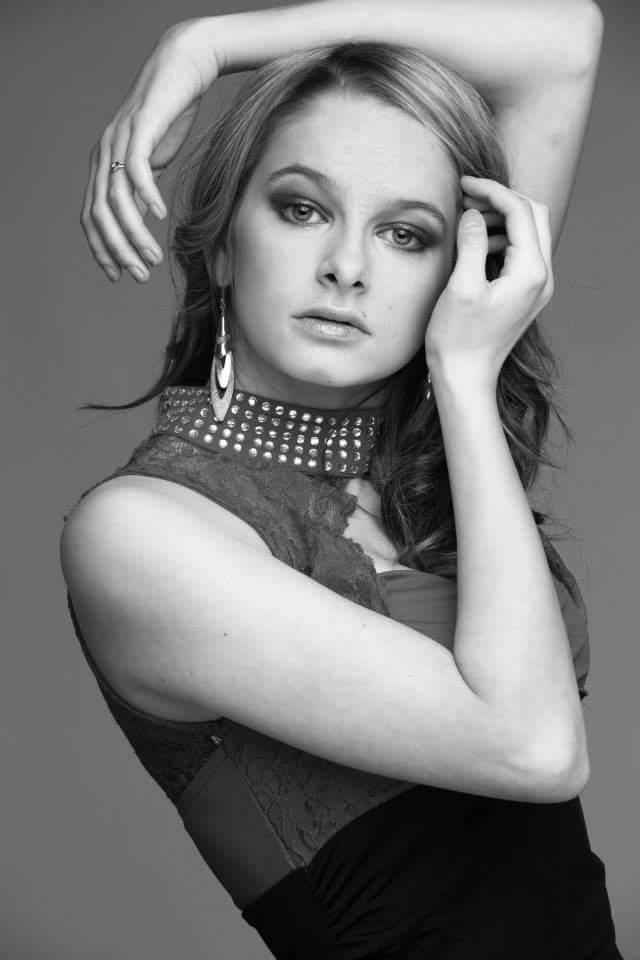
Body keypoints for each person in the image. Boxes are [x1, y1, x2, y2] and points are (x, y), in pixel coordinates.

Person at [60, 2, 624, 957]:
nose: (348, 267)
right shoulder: (140, 533)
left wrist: (211, 44)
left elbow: (562, 39)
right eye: (302, 208)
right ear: (223, 242)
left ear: (453, 269)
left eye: (406, 234)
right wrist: (466, 378)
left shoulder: (427, 450)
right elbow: (536, 750)